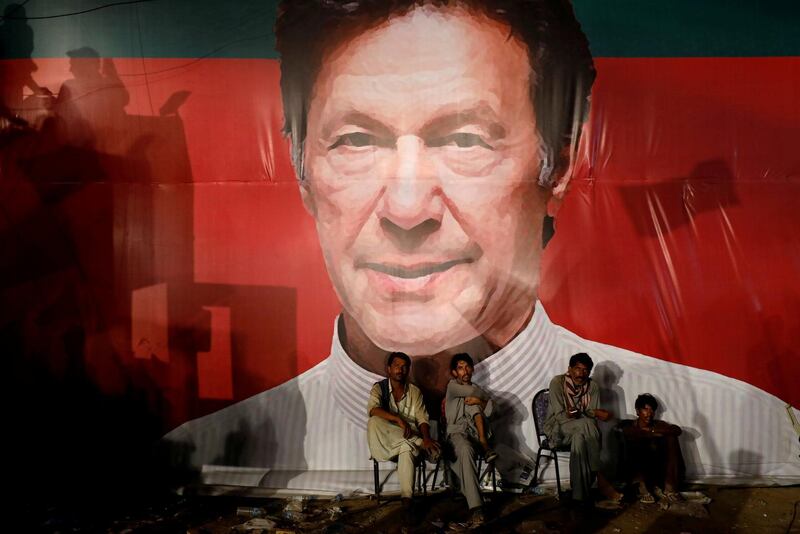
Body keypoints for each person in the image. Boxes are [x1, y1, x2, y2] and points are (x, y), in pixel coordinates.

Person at [162, 0, 799, 492]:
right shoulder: (194, 464)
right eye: (357, 139)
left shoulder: (753, 436)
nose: (407, 209)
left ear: (560, 164)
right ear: (302, 168)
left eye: (464, 139)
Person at [544, 353, 621, 504]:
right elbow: (560, 416)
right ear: (569, 369)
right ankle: (600, 476)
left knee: (580, 438)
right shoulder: (557, 382)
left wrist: (588, 413)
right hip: (557, 430)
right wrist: (588, 412)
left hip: (580, 430)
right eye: (577, 369)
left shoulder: (592, 386)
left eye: (585, 370)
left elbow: (592, 417)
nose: (581, 373)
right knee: (586, 424)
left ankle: (578, 497)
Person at [367, 352, 440, 502]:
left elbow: (422, 418)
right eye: (397, 366)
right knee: (374, 421)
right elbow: (373, 409)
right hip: (387, 441)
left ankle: (407, 500)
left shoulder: (414, 391)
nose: (400, 370)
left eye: (404, 367)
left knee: (406, 448)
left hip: (406, 440)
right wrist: (397, 419)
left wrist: (426, 437)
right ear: (389, 369)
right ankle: (419, 442)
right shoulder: (379, 388)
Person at [444, 353, 495, 526]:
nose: (465, 371)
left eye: (467, 367)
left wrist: (480, 403)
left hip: (474, 433)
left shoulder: (475, 389)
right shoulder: (452, 387)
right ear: (454, 372)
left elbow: (495, 410)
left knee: (474, 405)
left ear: (472, 369)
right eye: (460, 368)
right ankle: (476, 508)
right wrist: (483, 399)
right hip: (456, 435)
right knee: (465, 449)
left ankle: (484, 443)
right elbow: (479, 395)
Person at [619, 394, 684, 504]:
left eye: (652, 410)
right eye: (645, 409)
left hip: (657, 469)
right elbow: (627, 432)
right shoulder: (630, 424)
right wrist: (649, 434)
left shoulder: (658, 425)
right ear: (637, 411)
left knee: (672, 438)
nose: (649, 413)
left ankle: (670, 488)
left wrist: (654, 432)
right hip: (637, 471)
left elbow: (677, 430)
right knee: (637, 440)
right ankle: (642, 487)